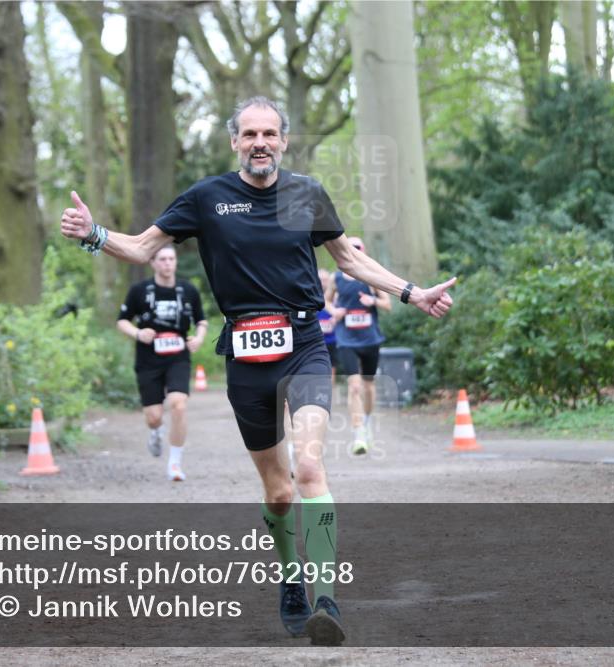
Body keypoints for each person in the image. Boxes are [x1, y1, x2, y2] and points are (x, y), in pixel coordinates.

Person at [61, 96, 455, 646]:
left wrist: (412, 293)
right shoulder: (207, 199)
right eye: (249, 134)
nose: (260, 143)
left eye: (269, 133)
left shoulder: (306, 194)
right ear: (234, 143)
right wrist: (94, 234)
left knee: (311, 466)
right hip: (245, 357)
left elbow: (349, 260)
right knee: (279, 493)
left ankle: (326, 598)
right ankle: (289, 576)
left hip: (304, 345)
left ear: (284, 141)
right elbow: (143, 246)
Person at [116, 245, 208, 482]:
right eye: (162, 259)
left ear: (175, 262)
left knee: (178, 404)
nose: (167, 263)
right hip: (148, 359)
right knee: (154, 416)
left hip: (178, 356)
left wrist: (198, 338)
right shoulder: (140, 290)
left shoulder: (187, 290)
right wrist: (137, 333)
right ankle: (156, 431)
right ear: (153, 263)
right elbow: (122, 321)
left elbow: (201, 321)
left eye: (171, 259)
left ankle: (175, 464)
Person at [325, 237, 390, 455]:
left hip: (370, 339)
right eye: (349, 248)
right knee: (354, 387)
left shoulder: (371, 278)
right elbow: (325, 301)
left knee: (368, 386)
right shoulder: (336, 279)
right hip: (346, 339)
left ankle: (368, 421)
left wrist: (374, 302)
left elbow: (387, 304)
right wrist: (334, 311)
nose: (352, 251)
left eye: (357, 248)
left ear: (364, 251)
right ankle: (358, 433)